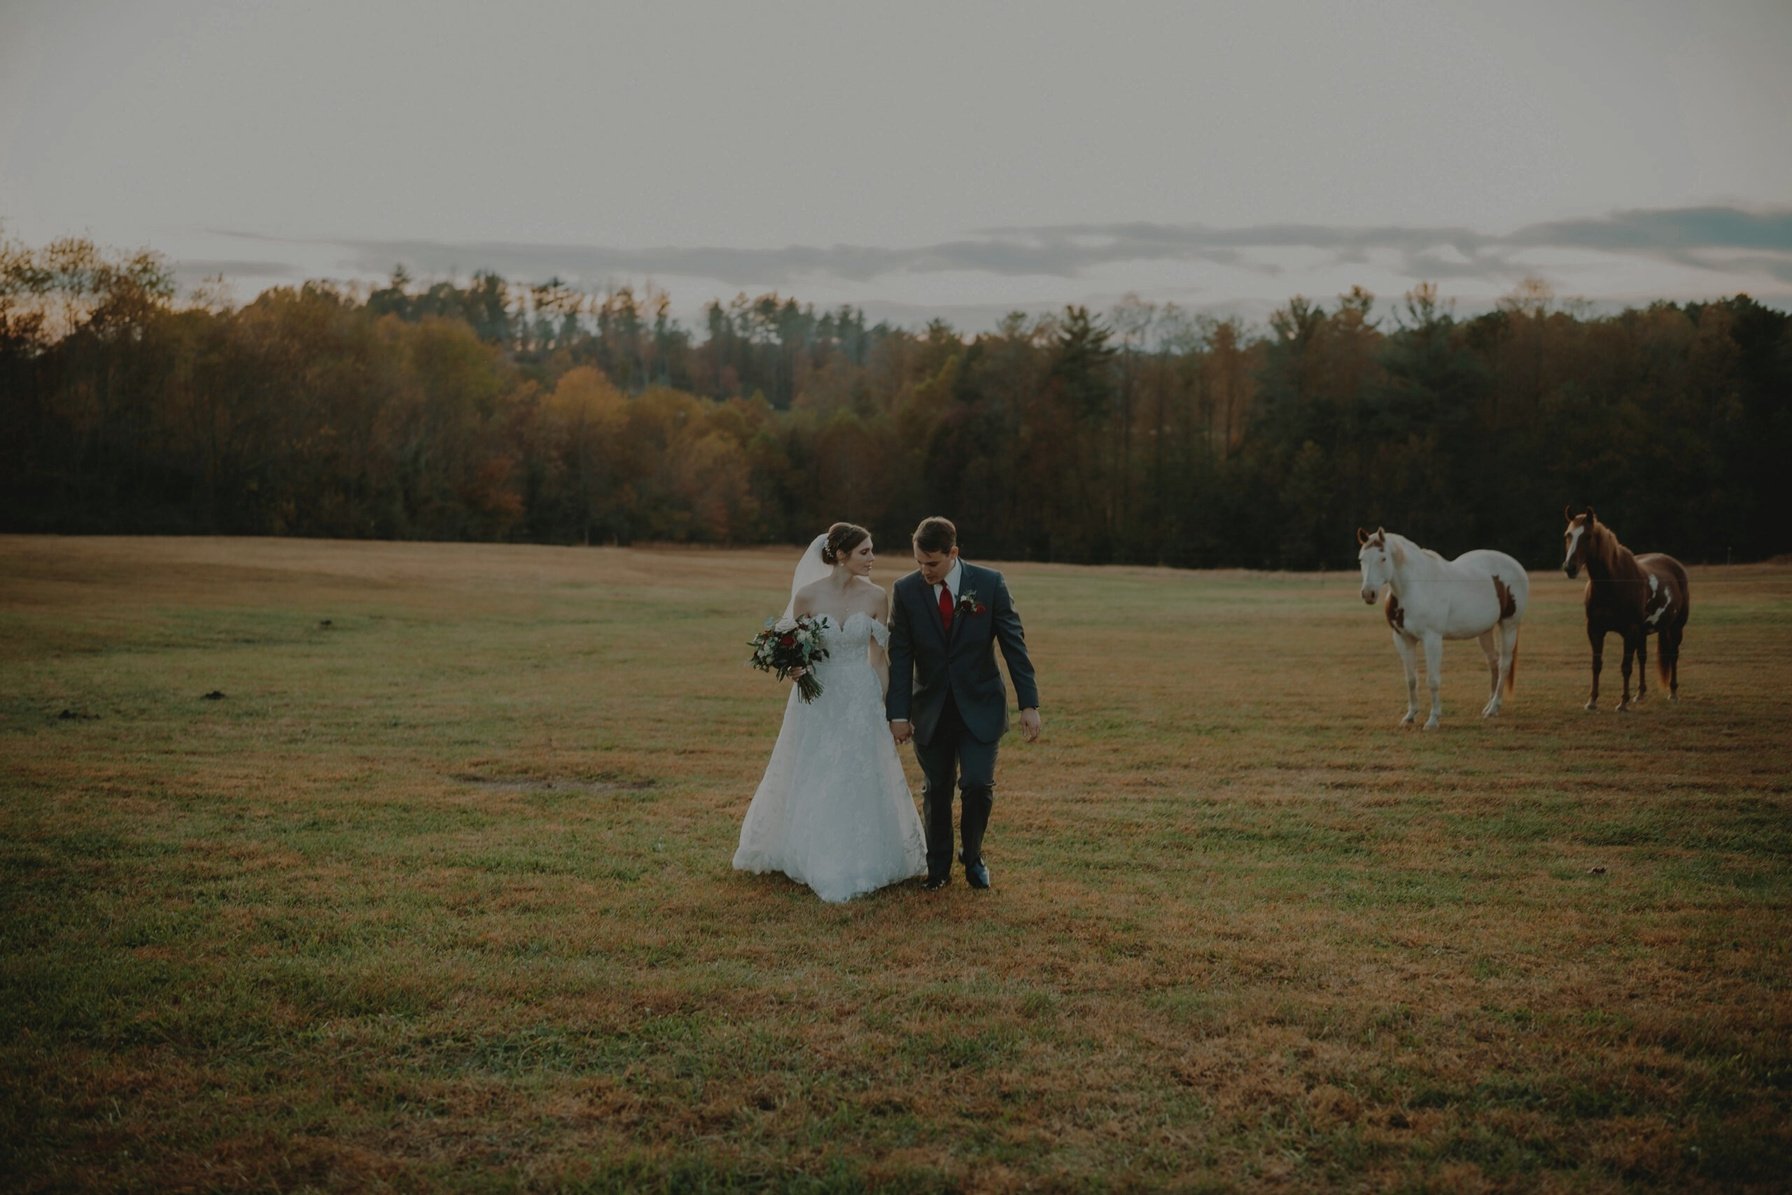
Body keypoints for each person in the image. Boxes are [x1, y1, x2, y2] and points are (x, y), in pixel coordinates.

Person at [734, 523, 927, 902]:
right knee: (816, 767)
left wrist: (886, 707)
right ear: (841, 554)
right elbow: (795, 648)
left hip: (860, 696)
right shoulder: (807, 596)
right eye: (865, 552)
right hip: (818, 699)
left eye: (871, 551)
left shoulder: (877, 596)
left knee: (858, 771)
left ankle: (862, 855)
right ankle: (811, 850)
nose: (872, 558)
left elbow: (879, 658)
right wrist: (795, 668)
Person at [886, 516, 1040, 890]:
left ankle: (972, 857)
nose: (924, 570)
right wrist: (898, 714)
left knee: (977, 784)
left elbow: (1014, 645)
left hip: (981, 705)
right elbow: (901, 656)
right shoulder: (905, 591)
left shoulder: (989, 583)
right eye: (919, 562)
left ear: (953, 553)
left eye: (932, 563)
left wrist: (1029, 704)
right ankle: (937, 868)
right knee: (937, 789)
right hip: (930, 709)